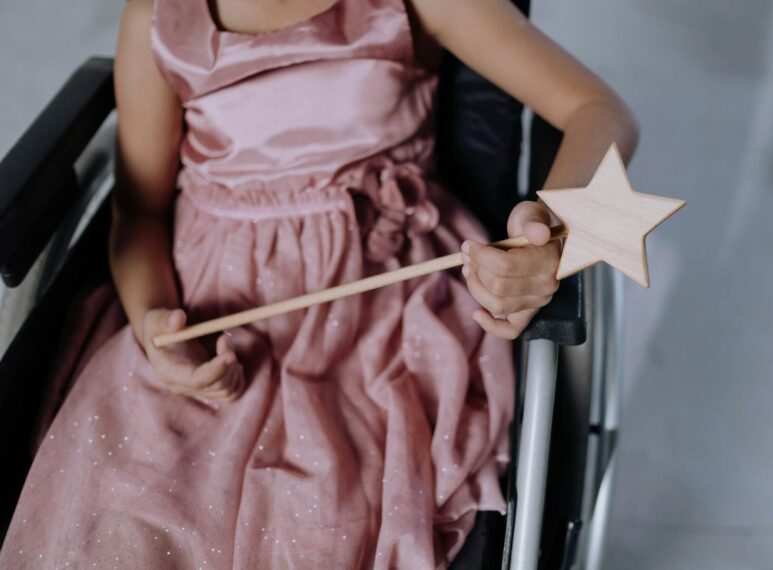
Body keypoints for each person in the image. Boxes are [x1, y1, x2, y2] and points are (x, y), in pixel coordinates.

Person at [0, 0, 638, 567]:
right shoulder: (160, 21)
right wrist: (154, 323)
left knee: (326, 523)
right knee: (128, 515)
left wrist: (554, 231)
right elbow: (140, 213)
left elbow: (600, 111)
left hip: (382, 310)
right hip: (211, 307)